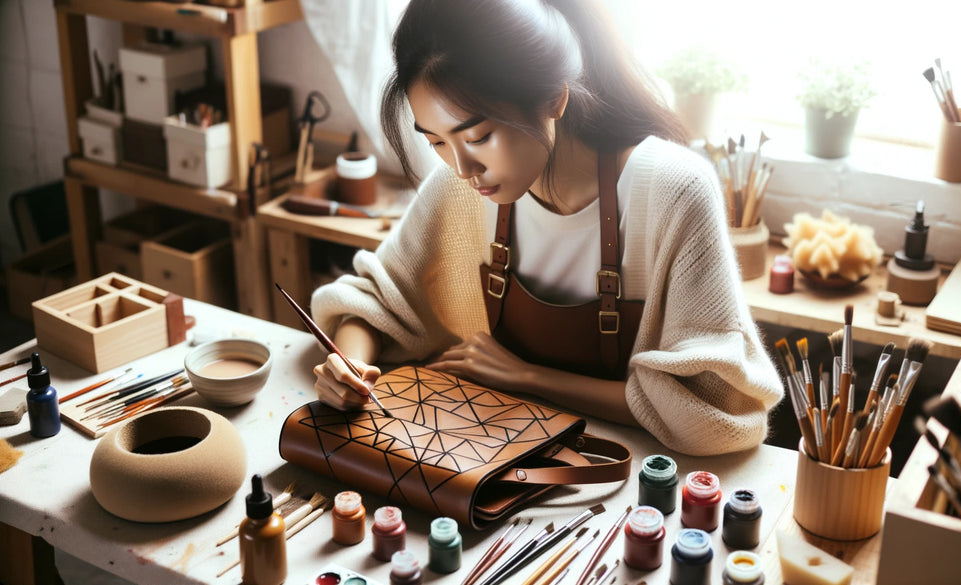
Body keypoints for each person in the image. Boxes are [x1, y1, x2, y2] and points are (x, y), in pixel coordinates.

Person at [310, 0, 783, 455]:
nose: (461, 166)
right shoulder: (461, 188)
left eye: (479, 137)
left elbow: (714, 409)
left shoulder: (672, 190)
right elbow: (379, 299)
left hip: (632, 473)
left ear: (554, 99)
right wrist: (350, 363)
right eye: (436, 141)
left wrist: (528, 377)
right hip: (495, 452)